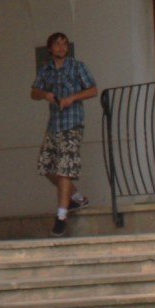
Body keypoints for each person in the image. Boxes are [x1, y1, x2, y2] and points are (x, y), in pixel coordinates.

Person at [30, 32, 99, 236]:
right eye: (57, 44)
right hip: (54, 124)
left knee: (64, 170)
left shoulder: (77, 67)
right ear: (50, 48)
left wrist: (72, 98)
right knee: (47, 166)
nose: (61, 47)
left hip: (72, 124)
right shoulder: (46, 70)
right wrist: (45, 95)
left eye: (64, 44)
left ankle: (61, 216)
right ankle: (77, 198)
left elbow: (93, 90)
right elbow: (33, 92)